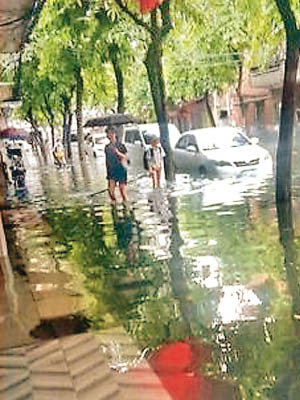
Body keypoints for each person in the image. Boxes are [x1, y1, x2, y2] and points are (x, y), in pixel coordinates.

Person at [105, 126, 128, 203]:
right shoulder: (107, 147)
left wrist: (118, 153)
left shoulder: (121, 145)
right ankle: (114, 205)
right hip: (111, 171)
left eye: (112, 133)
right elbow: (107, 161)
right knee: (111, 191)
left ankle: (126, 207)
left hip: (121, 169)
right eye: (108, 133)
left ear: (115, 134)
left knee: (122, 191)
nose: (110, 135)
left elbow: (126, 157)